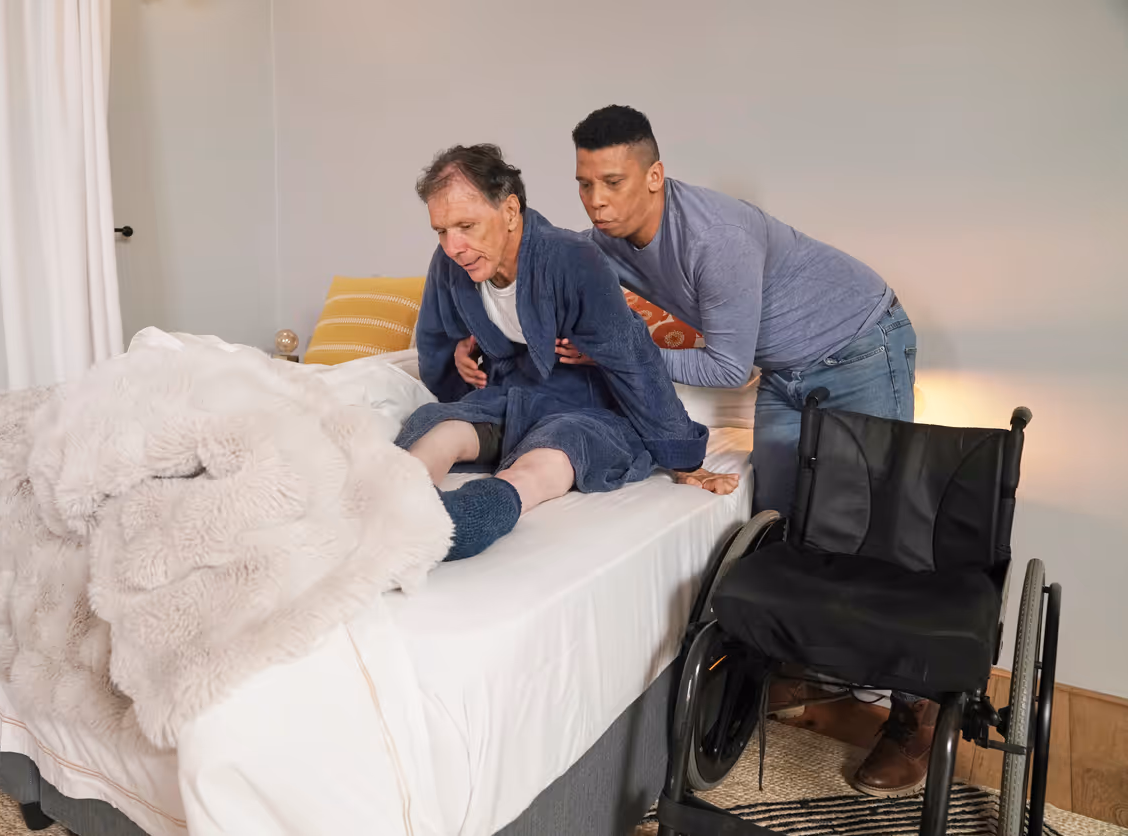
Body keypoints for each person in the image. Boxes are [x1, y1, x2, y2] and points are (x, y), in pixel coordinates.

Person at [562, 104, 926, 798]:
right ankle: (801, 660)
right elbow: (545, 257)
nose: (598, 201)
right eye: (585, 184)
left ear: (655, 176)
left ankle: (914, 715)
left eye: (612, 182)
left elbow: (730, 369)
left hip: (859, 346)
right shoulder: (604, 239)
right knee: (785, 523)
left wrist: (621, 351)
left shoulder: (714, 238)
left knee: (880, 530)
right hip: (790, 372)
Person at [396, 144, 739, 563]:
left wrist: (684, 459)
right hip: (511, 395)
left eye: (466, 225)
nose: (454, 246)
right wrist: (457, 360)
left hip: (585, 405)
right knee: (437, 425)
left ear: (509, 211)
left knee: (554, 452)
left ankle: (470, 518)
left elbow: (633, 358)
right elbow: (436, 340)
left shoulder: (574, 259)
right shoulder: (450, 264)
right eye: (441, 230)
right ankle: (392, 502)